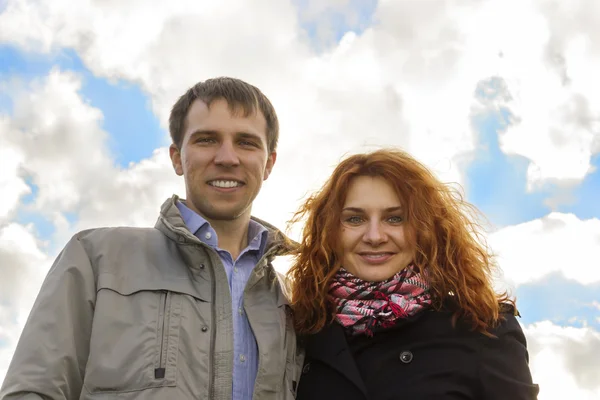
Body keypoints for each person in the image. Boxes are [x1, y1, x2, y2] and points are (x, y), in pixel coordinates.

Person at [1, 77, 303, 400]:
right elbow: (32, 391)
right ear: (176, 157)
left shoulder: (293, 303)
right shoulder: (96, 259)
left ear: (269, 162)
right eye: (206, 140)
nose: (227, 157)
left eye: (246, 142)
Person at [287, 149, 539, 400]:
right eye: (355, 219)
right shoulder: (301, 330)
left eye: (395, 218)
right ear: (330, 232)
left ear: (425, 229)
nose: (375, 236)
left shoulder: (484, 330)